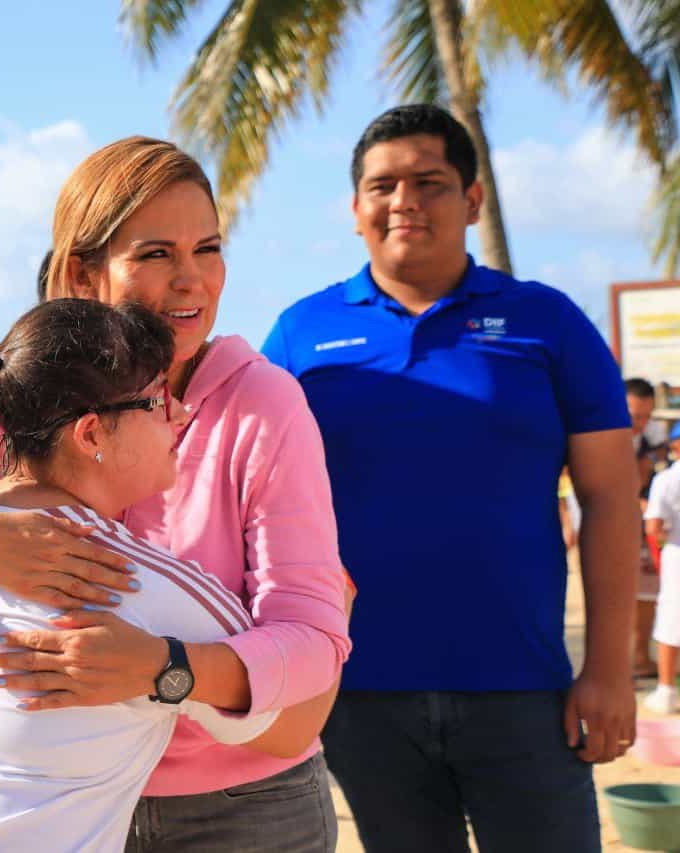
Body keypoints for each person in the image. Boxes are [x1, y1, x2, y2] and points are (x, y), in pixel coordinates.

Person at [0, 137, 351, 852]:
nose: (192, 280)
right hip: (58, 804)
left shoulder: (266, 404)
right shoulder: (23, 382)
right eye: (157, 253)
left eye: (209, 248)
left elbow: (312, 641)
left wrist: (166, 668)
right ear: (83, 270)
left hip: (241, 802)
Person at [262, 104, 639, 852]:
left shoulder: (548, 322)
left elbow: (610, 496)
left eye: (429, 182)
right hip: (359, 694)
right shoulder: (300, 334)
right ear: (355, 208)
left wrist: (608, 669)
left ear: (472, 199)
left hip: (526, 689)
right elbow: (251, 498)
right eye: (382, 186)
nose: (404, 201)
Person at [627, 377, 664, 677]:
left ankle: (640, 658)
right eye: (633, 415)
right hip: (604, 527)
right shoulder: (600, 431)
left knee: (645, 595)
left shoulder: (653, 436)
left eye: (646, 415)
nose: (639, 422)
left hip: (640, 527)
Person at [644, 423, 680, 713]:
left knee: (671, 621)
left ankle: (667, 690)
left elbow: (653, 526)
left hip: (677, 555)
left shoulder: (667, 479)